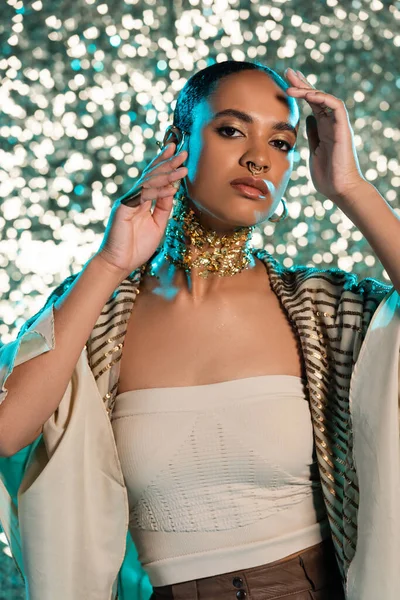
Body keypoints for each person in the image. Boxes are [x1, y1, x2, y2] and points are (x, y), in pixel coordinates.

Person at [0, 60, 399, 600]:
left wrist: (351, 188)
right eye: (232, 130)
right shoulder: (99, 311)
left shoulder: (319, 308)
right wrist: (110, 263)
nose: (258, 157)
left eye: (281, 144)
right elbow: (7, 430)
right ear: (176, 142)